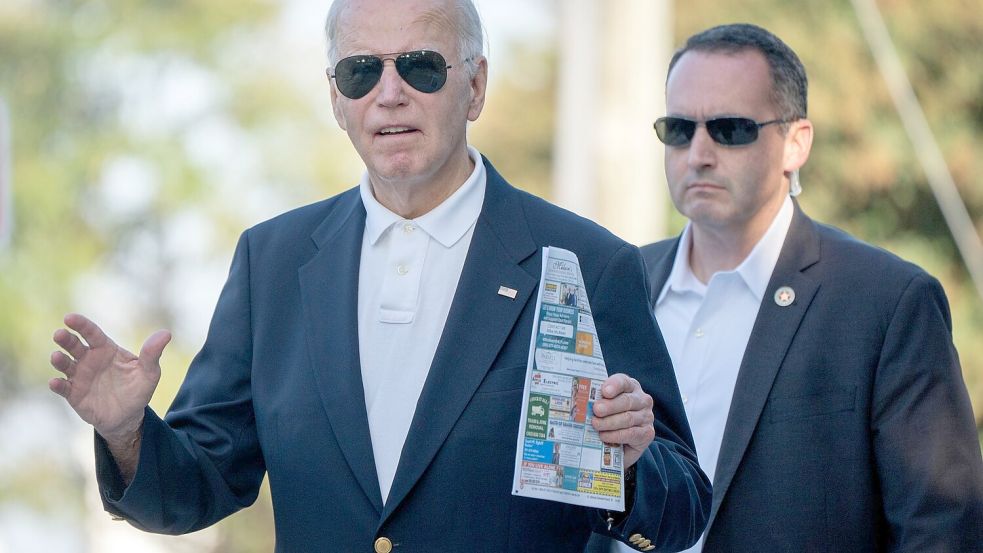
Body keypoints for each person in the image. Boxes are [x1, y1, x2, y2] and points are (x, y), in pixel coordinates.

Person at [48, 1, 711, 551]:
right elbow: (199, 485)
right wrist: (127, 432)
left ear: (475, 85)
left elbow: (683, 508)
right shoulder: (270, 262)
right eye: (361, 71)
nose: (389, 93)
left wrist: (624, 461)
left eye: (421, 67)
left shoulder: (586, 262)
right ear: (336, 99)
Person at [591, 22, 983, 553]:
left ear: (796, 143)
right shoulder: (617, 283)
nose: (699, 152)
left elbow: (941, 528)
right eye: (679, 129)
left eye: (730, 129)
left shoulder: (886, 302)